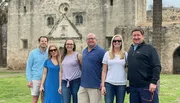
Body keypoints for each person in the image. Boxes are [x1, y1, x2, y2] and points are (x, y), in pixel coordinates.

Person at [127, 28, 161, 103]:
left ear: (143, 36)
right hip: (133, 88)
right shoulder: (131, 49)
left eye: (138, 35)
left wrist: (154, 82)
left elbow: (157, 66)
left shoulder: (150, 49)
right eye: (134, 35)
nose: (136, 37)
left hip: (146, 87)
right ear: (132, 37)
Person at [78, 33, 106, 103]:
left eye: (92, 39)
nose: (90, 40)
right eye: (88, 39)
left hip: (95, 86)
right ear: (86, 40)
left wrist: (103, 83)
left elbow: (106, 68)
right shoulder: (84, 51)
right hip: (83, 86)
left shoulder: (101, 51)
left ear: (96, 40)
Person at [101, 35, 127, 103]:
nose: (117, 42)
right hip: (109, 83)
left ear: (121, 42)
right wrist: (103, 85)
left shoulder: (125, 54)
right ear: (112, 42)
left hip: (121, 84)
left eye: (119, 41)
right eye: (115, 41)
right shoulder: (107, 54)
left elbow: (128, 69)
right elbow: (104, 71)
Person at [26, 36, 48, 103]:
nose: (43, 42)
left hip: (46, 79)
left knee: (44, 99)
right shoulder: (33, 53)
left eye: (45, 41)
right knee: (35, 99)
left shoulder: (49, 53)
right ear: (39, 42)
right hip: (36, 79)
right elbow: (28, 67)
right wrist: (29, 80)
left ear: (47, 42)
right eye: (42, 41)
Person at [58, 39, 82, 103]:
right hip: (65, 82)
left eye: (71, 44)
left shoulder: (78, 55)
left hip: (76, 81)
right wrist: (60, 85)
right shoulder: (62, 57)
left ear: (74, 46)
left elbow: (83, 68)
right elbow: (61, 71)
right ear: (65, 46)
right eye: (67, 44)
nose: (69, 45)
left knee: (76, 100)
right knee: (65, 101)